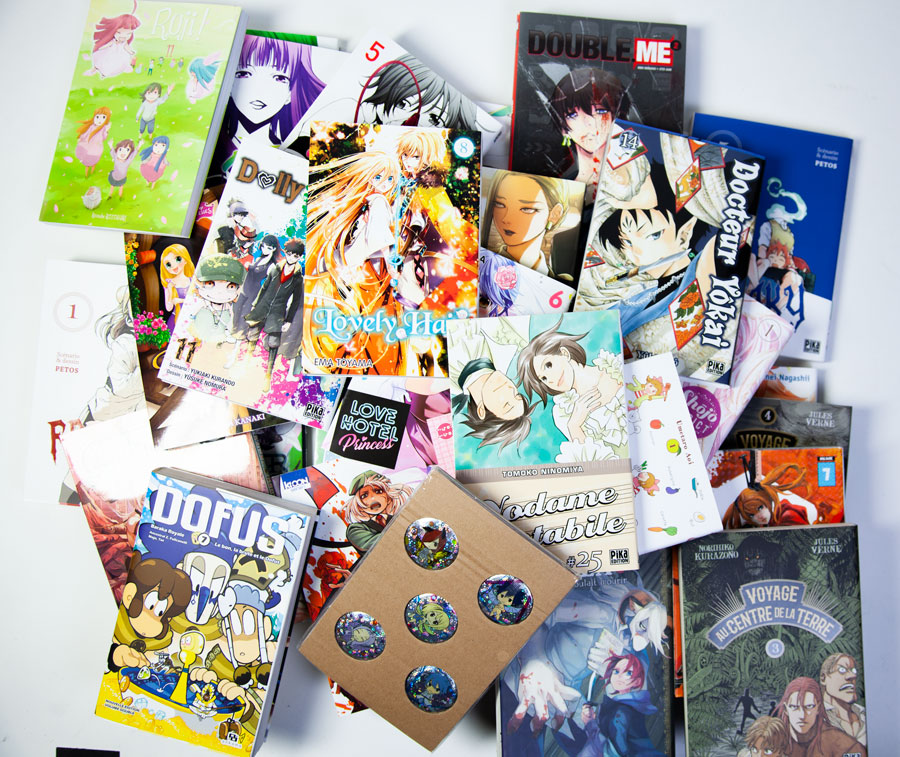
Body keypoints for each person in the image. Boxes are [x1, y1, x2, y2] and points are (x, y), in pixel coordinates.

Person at [304, 150, 405, 374]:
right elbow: (379, 238)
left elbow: (376, 238)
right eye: (378, 177)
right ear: (368, 176)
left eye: (390, 179)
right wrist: (391, 264)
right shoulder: (377, 202)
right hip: (353, 267)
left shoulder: (370, 202)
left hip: (349, 266)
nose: (384, 183)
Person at [212, 36, 325, 179]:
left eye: (279, 78)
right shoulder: (212, 144)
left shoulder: (298, 149)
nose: (260, 91)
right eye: (244, 74)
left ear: (291, 93)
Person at [517, 317, 628, 462]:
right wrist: (574, 425)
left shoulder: (614, 365)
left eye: (548, 365)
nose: (551, 379)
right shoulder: (563, 413)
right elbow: (592, 465)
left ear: (564, 353)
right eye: (543, 378)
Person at [448, 318, 535, 452]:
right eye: (517, 395)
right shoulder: (514, 338)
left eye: (506, 404)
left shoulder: (442, 382)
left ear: (481, 411)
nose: (511, 389)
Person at [481, 170, 574, 281]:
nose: (506, 219)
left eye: (526, 209)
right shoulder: (481, 263)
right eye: (500, 204)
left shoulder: (562, 281)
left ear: (554, 214)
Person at [549, 68, 628, 193]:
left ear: (615, 117)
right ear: (563, 128)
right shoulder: (559, 191)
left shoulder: (636, 176)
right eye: (572, 115)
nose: (588, 123)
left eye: (600, 111)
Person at [243, 238, 303, 388]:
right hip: (262, 307)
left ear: (300, 257)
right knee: (252, 336)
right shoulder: (275, 269)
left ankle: (267, 377)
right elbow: (264, 288)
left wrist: (288, 320)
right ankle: (245, 367)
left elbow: (295, 301)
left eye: (295, 256)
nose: (291, 258)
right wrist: (255, 305)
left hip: (278, 313)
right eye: (289, 254)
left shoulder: (298, 278)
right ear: (285, 253)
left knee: (273, 344)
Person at [774, 677, 866, 756]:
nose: (802, 715)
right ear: (786, 709)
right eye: (794, 707)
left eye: (809, 706)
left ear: (818, 707)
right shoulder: (774, 739)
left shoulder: (840, 742)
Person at [342, 470, 412, 553]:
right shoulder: (356, 529)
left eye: (378, 491)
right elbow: (371, 544)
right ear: (358, 505)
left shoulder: (398, 518)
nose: (373, 498)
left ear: (388, 497)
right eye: (364, 495)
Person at [187, 253, 246, 344]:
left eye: (231, 286)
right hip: (202, 328)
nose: (220, 292)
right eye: (210, 284)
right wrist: (190, 319)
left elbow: (232, 314)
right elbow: (192, 313)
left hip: (221, 333)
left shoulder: (227, 305)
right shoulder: (204, 303)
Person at [819, 653, 866, 745]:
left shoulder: (863, 714)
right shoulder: (814, 716)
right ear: (823, 678)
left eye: (854, 671)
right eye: (842, 670)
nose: (852, 676)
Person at [85, 1, 140, 78]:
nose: (123, 36)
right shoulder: (113, 41)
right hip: (110, 53)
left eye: (128, 33)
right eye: (119, 32)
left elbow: (126, 47)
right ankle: (95, 70)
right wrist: (101, 47)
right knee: (103, 61)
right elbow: (108, 44)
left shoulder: (124, 43)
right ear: (114, 31)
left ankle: (106, 73)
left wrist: (131, 52)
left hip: (119, 55)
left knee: (118, 62)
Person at [159, 243, 195, 332]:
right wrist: (170, 289)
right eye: (168, 264)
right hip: (176, 320)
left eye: (178, 259)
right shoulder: (169, 284)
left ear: (186, 260)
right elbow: (168, 308)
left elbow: (196, 301)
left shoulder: (192, 281)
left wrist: (180, 300)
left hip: (192, 319)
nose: (173, 266)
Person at [75, 107, 112, 177]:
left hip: (97, 147)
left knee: (94, 161)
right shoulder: (91, 127)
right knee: (87, 161)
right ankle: (86, 175)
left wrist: (107, 130)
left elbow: (104, 138)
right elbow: (86, 133)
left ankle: (92, 173)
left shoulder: (103, 128)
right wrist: (81, 137)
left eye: (103, 117)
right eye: (97, 117)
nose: (100, 120)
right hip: (89, 145)